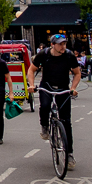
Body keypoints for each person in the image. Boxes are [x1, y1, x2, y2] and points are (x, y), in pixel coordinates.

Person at [30, 34, 81, 170]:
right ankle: (44, 126)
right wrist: (31, 85)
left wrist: (73, 88)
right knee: (45, 106)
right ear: (52, 45)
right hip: (46, 86)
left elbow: (77, 73)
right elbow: (31, 70)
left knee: (66, 121)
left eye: (64, 43)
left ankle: (69, 154)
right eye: (60, 44)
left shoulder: (69, 56)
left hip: (63, 88)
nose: (63, 46)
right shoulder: (44, 54)